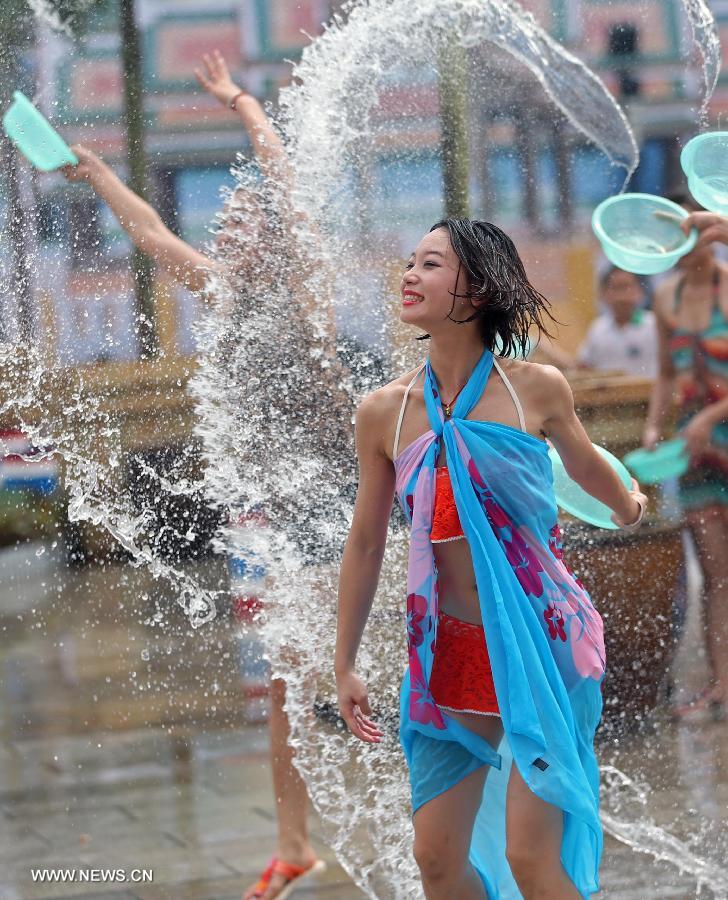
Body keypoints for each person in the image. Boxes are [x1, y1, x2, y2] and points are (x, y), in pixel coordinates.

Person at [62, 51, 329, 900]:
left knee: (353, 675)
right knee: (291, 679)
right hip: (283, 513)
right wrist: (101, 170)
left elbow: (284, 178)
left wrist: (243, 104)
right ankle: (294, 844)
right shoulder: (222, 294)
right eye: (231, 220)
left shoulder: (299, 291)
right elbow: (148, 233)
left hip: (344, 502)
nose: (232, 228)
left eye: (248, 220)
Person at [334, 218, 646, 898]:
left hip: (541, 641)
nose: (410, 274)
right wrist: (346, 660)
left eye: (432, 264)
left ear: (477, 291)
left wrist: (628, 506)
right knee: (436, 861)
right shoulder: (383, 412)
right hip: (451, 653)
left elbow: (586, 467)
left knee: (534, 860)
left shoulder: (536, 388)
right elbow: (365, 543)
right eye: (410, 261)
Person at [644, 202, 728, 720]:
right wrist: (656, 426)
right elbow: (664, 375)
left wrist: (712, 414)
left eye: (697, 230)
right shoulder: (665, 295)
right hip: (692, 452)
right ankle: (720, 684)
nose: (688, 240)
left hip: (715, 428)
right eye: (681, 232)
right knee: (715, 573)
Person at [578, 266, 658, 378]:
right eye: (615, 288)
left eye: (626, 287)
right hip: (608, 394)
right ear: (603, 294)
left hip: (647, 394)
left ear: (639, 291)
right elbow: (583, 367)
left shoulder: (653, 325)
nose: (621, 296)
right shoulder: (598, 328)